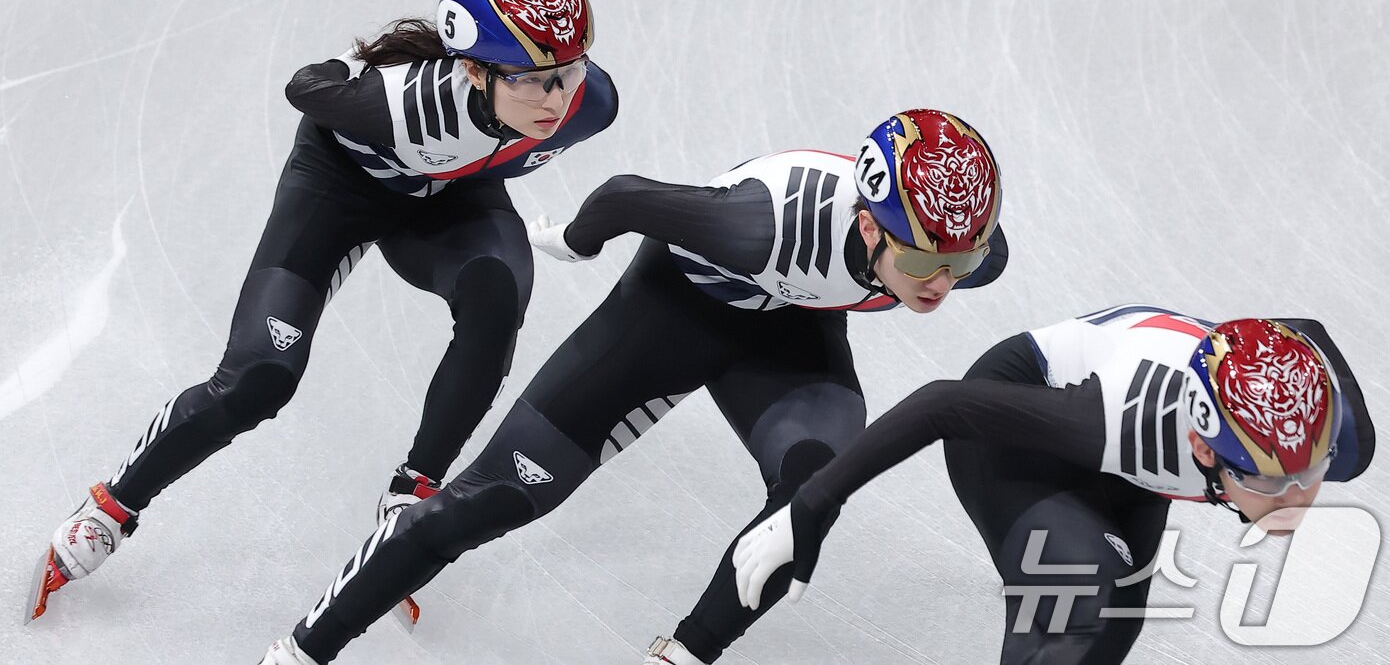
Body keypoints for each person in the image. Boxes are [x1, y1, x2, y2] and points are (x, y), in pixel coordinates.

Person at [256, 108, 1010, 664]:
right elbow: (624, 195)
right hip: (673, 308)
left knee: (810, 499)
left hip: (790, 337)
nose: (942, 285)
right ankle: (299, 650)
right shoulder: (762, 224)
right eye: (921, 267)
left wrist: (805, 508)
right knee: (500, 494)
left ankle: (681, 654)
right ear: (870, 228)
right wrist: (574, 240)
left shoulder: (961, 241)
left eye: (962, 265)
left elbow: (950, 254)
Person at [28, 0, 619, 622]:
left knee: (498, 295)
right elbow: (304, 86)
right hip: (340, 191)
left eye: (568, 71)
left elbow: (537, 112)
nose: (556, 98)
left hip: (449, 200)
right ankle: (112, 504)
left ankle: (412, 492)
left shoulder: (590, 103)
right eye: (533, 81)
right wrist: (361, 68)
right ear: (473, 69)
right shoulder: (402, 104)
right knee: (261, 376)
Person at [732, 305, 1375, 663]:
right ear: (1205, 446)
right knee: (1086, 604)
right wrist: (810, 505)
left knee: (1107, 633)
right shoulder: (1128, 421)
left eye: (1310, 473)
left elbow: (1308, 331)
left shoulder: (1328, 432)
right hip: (1012, 420)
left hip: (1127, 463)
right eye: (1270, 480)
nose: (1297, 499)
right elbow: (940, 404)